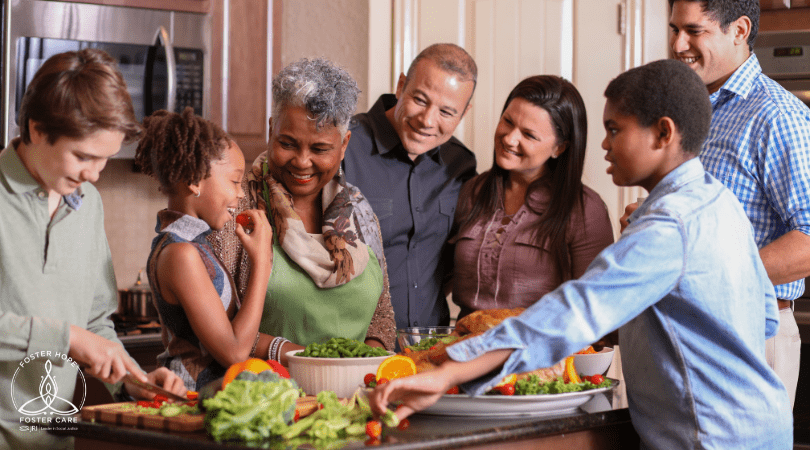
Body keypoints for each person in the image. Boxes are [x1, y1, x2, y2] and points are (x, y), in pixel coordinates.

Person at [369, 59, 792, 450]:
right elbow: (764, 316)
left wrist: (449, 371)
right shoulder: (718, 201)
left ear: (663, 133)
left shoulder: (668, 226)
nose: (603, 144)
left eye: (615, 129)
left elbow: (577, 311)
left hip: (709, 436)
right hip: (757, 426)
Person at [0, 49, 186, 449]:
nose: (94, 174)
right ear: (35, 130)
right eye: (83, 156)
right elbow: (76, 336)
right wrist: (66, 338)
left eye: (104, 159)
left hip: (51, 438)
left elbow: (96, 322)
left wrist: (133, 379)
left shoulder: (87, 203)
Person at [668, 0, 810, 407]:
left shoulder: (776, 115)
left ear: (740, 30)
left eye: (694, 31)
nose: (678, 44)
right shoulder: (690, 111)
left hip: (752, 328)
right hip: (688, 327)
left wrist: (715, 275)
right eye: (675, 29)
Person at [211, 57, 396, 356]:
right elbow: (217, 326)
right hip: (266, 392)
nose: (302, 161)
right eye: (288, 143)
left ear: (344, 144)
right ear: (272, 130)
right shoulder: (235, 207)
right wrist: (309, 361)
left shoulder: (359, 212)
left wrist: (365, 363)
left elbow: (381, 317)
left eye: (320, 149)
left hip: (353, 394)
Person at [451, 75, 613, 319]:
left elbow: (596, 309)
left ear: (560, 147)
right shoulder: (472, 191)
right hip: (461, 349)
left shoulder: (584, 209)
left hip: (540, 355)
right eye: (507, 121)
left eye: (528, 135)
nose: (509, 138)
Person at [134, 108, 274, 390]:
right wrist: (261, 262)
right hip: (191, 399)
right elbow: (234, 352)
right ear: (195, 181)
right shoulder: (180, 254)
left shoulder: (196, 245)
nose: (241, 193)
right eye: (234, 181)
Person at [342, 43, 477, 330]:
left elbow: (455, 259)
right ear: (401, 85)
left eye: (447, 112)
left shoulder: (461, 165)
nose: (427, 120)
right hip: (353, 348)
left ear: (464, 114)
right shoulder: (343, 148)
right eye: (420, 99)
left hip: (430, 350)